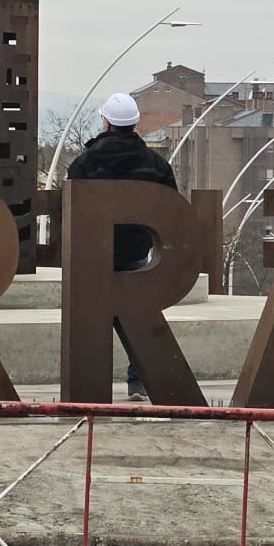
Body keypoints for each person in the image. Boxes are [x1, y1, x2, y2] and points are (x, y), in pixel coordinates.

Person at [66, 91, 178, 401]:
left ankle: (87, 385)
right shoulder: (156, 165)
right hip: (136, 253)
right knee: (138, 321)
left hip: (93, 254)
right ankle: (139, 384)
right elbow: (172, 209)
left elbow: (71, 208)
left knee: (91, 322)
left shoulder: (86, 162)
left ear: (107, 123)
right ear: (134, 124)